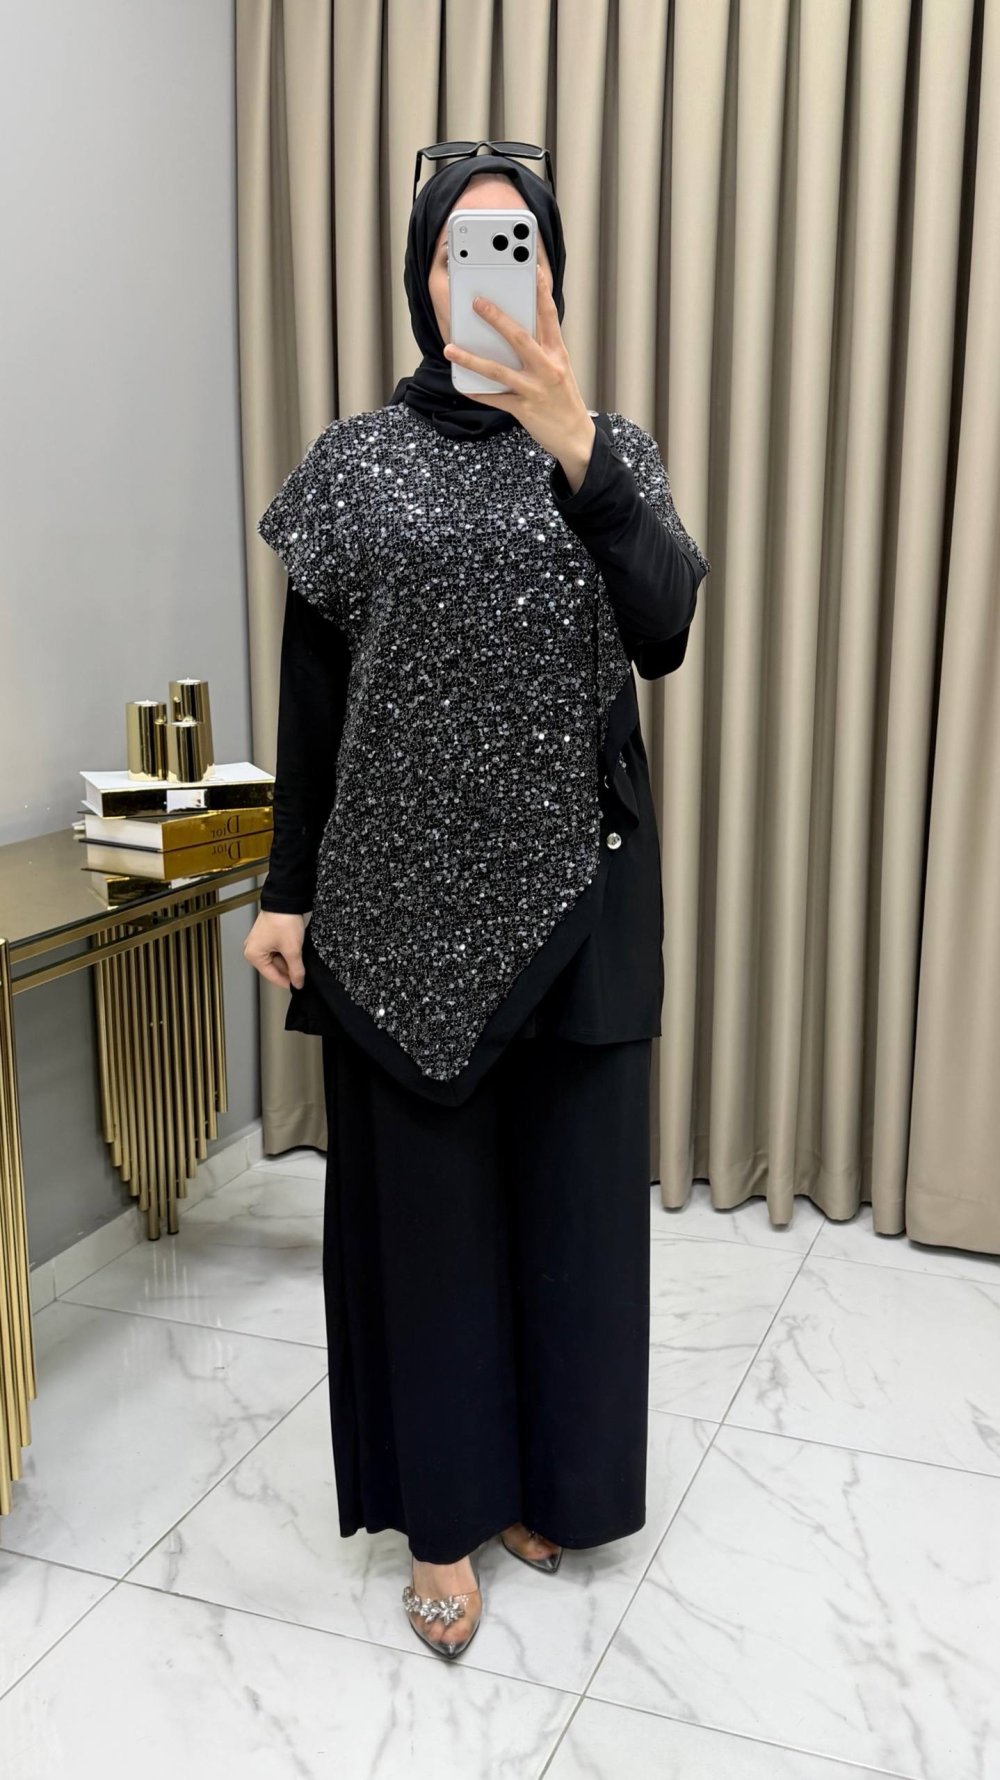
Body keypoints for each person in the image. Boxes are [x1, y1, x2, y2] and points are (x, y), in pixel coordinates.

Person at [244, 148, 710, 1660]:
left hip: (581, 897)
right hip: (394, 912)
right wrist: (286, 890)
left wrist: (575, 445)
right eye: (460, 247)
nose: (486, 271)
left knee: (566, 1219)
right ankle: (441, 1517)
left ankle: (547, 1485)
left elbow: (666, 626)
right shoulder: (351, 465)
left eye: (515, 246)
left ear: (551, 276)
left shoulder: (605, 449)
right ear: (422, 277)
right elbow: (314, 699)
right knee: (431, 1228)